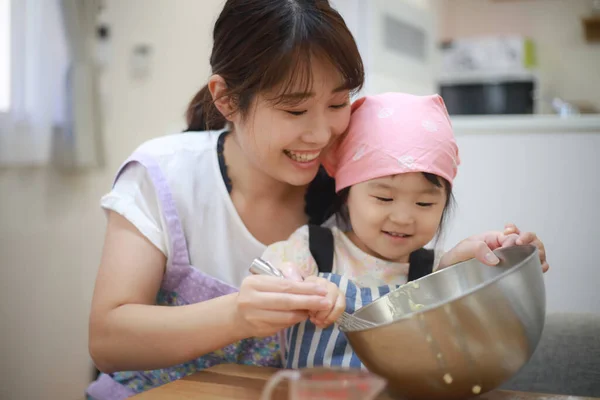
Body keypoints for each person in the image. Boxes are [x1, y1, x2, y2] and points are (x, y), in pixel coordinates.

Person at [86, 1, 547, 398]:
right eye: (294, 109)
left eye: (338, 102)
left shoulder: (354, 187)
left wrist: (461, 268)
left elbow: (398, 290)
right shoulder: (165, 175)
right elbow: (108, 338)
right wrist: (238, 314)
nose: (321, 132)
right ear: (226, 99)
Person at [259, 92, 549, 369]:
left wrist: (509, 263)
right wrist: (300, 289)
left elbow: (488, 326)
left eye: (424, 203)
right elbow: (264, 284)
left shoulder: (435, 271)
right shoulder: (311, 249)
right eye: (384, 198)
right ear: (347, 194)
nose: (402, 217)